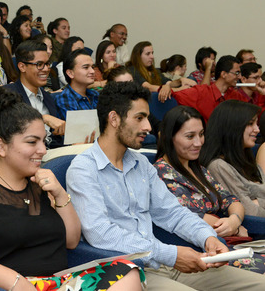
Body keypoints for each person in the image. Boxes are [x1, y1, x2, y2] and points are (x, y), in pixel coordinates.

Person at [66, 81, 265, 290]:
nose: (148, 127)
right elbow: (100, 233)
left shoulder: (140, 163)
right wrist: (170, 254)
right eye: (139, 118)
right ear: (114, 119)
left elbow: (173, 213)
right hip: (130, 271)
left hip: (164, 263)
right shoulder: (83, 169)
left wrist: (207, 238)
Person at [0, 85, 144, 291]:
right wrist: (16, 282)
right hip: (10, 286)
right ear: (1, 146)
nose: (42, 150)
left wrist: (58, 193)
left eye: (44, 141)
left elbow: (72, 240)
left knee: (128, 272)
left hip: (55, 284)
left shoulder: (39, 183)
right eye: (32, 142)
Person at [154, 105, 247, 238]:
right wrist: (235, 230)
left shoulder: (199, 169)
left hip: (221, 239)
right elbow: (190, 217)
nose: (199, 143)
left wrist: (234, 221)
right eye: (190, 136)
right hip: (195, 246)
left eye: (201, 134)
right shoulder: (161, 173)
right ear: (169, 138)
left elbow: (230, 200)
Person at [200, 100, 265, 217]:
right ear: (232, 127)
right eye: (251, 124)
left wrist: (258, 201)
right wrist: (256, 202)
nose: (257, 130)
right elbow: (249, 211)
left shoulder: (248, 161)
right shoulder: (218, 166)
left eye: (257, 124)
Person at [5, 40, 65, 149]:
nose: (46, 69)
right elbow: (8, 125)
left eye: (47, 64)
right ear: (22, 67)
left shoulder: (48, 98)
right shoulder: (7, 94)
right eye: (40, 64)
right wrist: (42, 118)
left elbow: (55, 141)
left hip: (48, 153)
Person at [172, 55, 256, 122]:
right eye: (237, 73)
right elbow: (173, 95)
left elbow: (250, 117)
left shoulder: (237, 97)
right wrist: (166, 87)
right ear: (223, 74)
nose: (240, 77)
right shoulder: (200, 92)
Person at [55, 49, 98, 120]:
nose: (92, 71)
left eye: (92, 67)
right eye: (86, 67)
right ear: (70, 73)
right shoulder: (64, 99)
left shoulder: (95, 95)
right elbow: (79, 128)